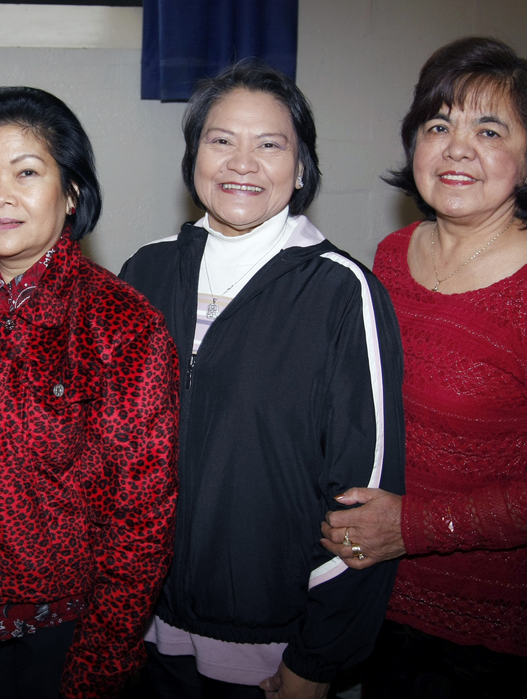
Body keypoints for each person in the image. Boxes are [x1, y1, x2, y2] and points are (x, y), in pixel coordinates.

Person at [320, 37, 527, 698]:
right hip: (377, 589)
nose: (456, 147)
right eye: (438, 126)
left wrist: (411, 526)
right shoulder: (393, 254)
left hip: (482, 629)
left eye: (489, 130)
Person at [118, 59, 406, 699]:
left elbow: (368, 498)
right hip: (146, 627)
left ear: (301, 167)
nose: (240, 163)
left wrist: (318, 660)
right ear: (194, 157)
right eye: (221, 140)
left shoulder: (340, 291)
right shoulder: (146, 272)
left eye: (269, 144)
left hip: (271, 639)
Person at [0, 86, 179, 699]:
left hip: (60, 630)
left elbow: (143, 514)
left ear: (72, 192)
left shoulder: (119, 323)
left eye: (26, 172)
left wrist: (102, 658)